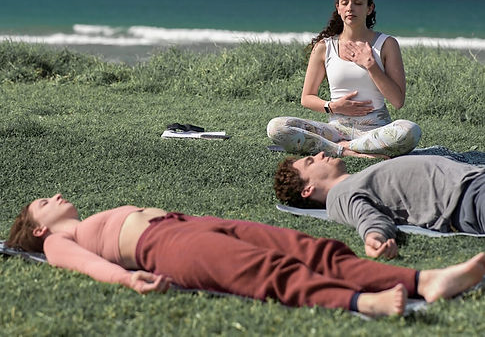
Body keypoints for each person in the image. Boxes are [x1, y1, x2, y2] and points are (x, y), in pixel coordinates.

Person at [7, 195, 485, 317]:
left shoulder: (76, 223)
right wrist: (128, 281)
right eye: (43, 202)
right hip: (164, 247)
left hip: (187, 224)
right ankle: (363, 303)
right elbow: (89, 266)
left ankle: (422, 281)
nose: (55, 195)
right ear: (39, 227)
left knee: (311, 248)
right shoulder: (55, 242)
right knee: (264, 271)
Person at [267, 0, 421, 158]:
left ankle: (340, 147)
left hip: (374, 131)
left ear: (369, 8)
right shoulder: (324, 47)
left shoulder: (386, 44)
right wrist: (332, 106)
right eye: (345, 3)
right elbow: (307, 97)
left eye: (358, 3)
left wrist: (371, 65)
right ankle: (347, 151)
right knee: (276, 127)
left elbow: (397, 101)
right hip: (335, 131)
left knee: (410, 130)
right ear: (338, 8)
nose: (350, 8)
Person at [274, 153, 485, 259]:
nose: (320, 155)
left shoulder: (352, 181)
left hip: (473, 181)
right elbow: (365, 217)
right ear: (307, 189)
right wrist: (374, 238)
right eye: (311, 162)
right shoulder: (339, 196)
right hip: (467, 198)